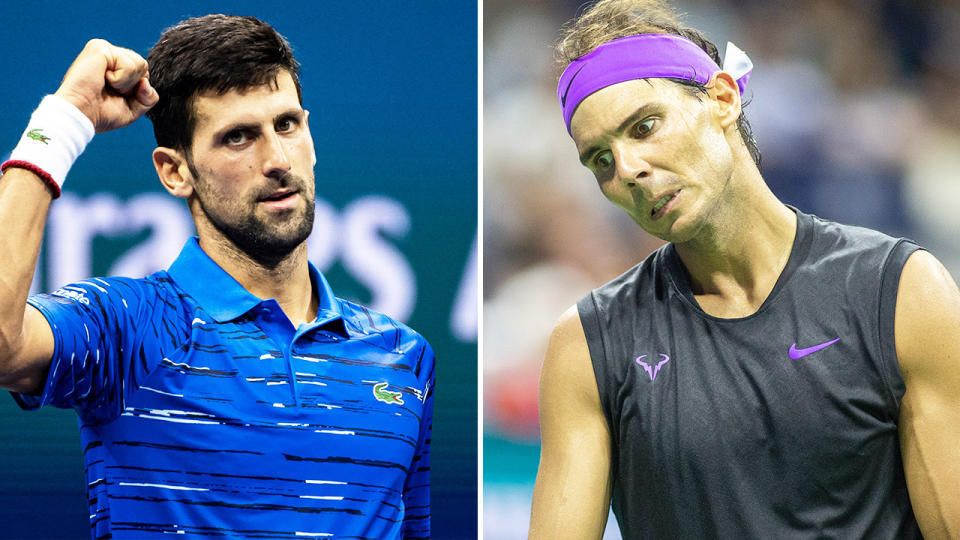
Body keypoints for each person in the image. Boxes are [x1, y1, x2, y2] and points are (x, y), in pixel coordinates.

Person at [529, 1, 960, 538]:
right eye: (600, 160)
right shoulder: (587, 346)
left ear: (722, 99)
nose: (629, 169)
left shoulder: (902, 291)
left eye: (644, 126)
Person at [0, 14, 433, 540]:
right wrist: (64, 120)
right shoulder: (128, 327)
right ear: (174, 171)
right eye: (238, 138)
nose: (277, 159)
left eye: (288, 124)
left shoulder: (406, 358)